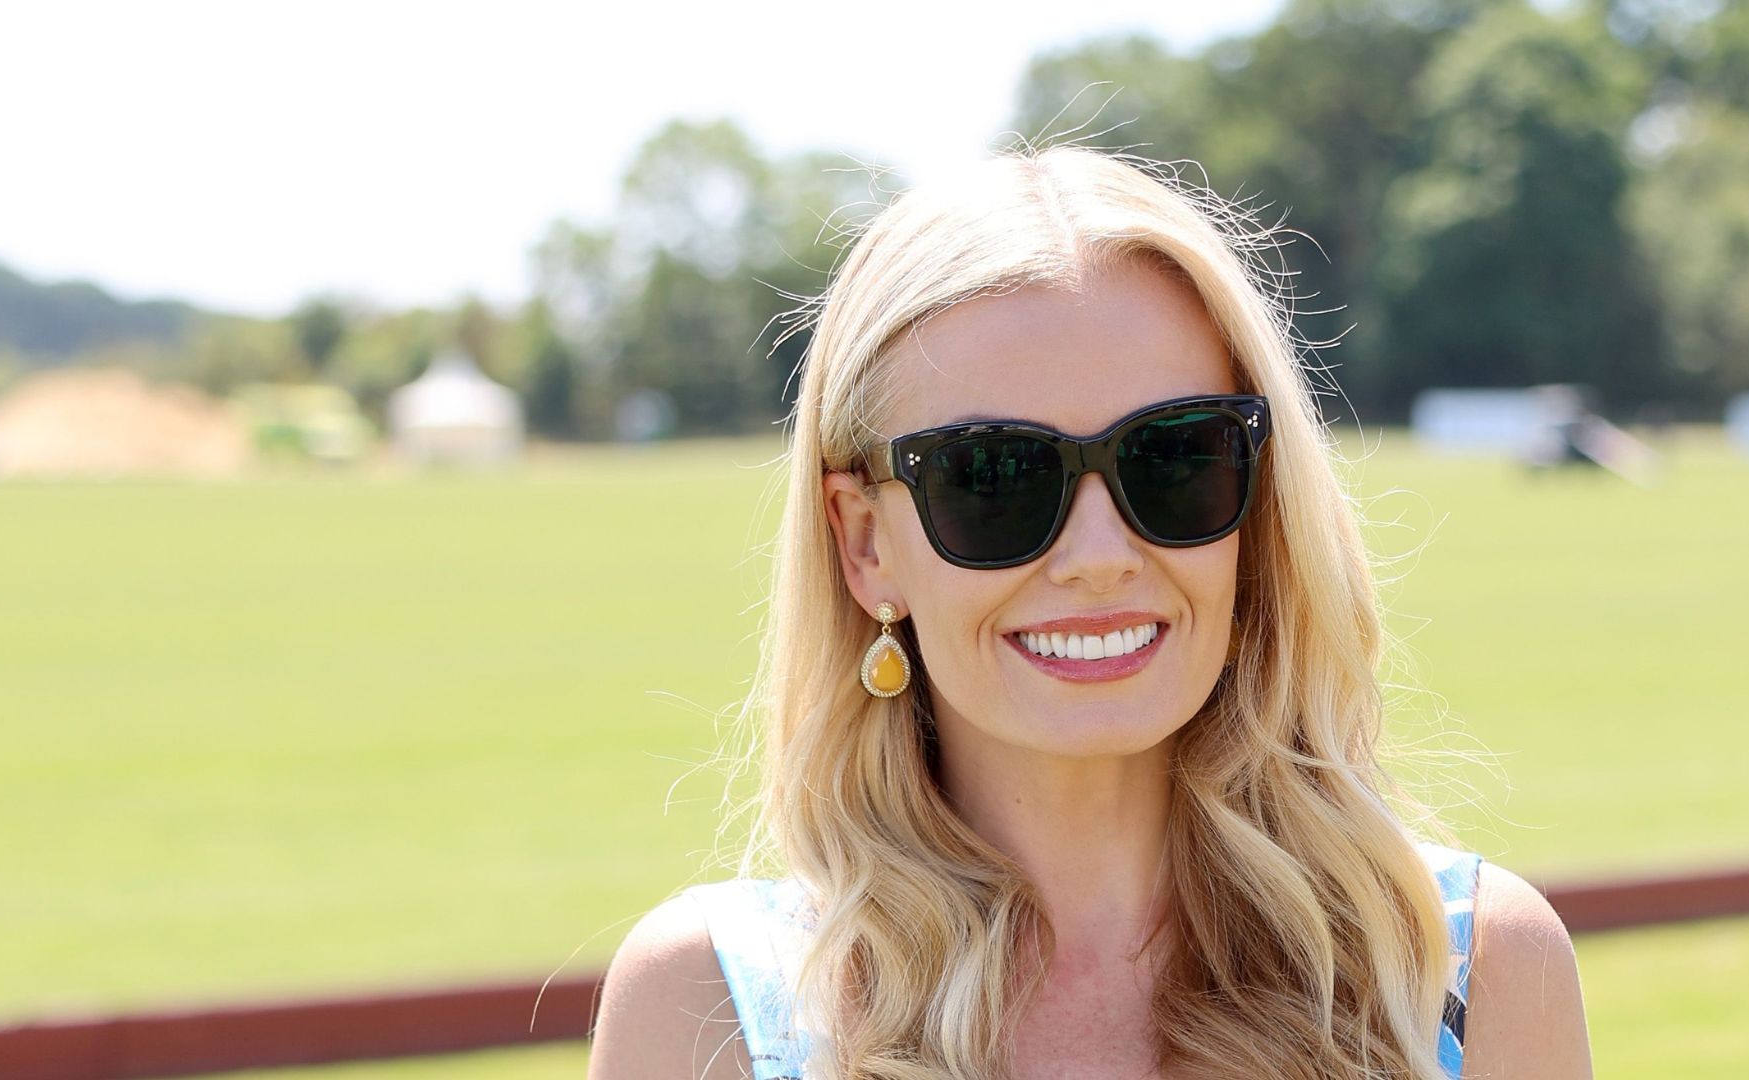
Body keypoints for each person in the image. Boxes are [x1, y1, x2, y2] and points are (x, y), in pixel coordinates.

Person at [588, 145, 1591, 1079]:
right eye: (994, 477)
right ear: (864, 544)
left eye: (1176, 458)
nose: (1101, 557)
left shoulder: (1466, 974)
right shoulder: (705, 1006)